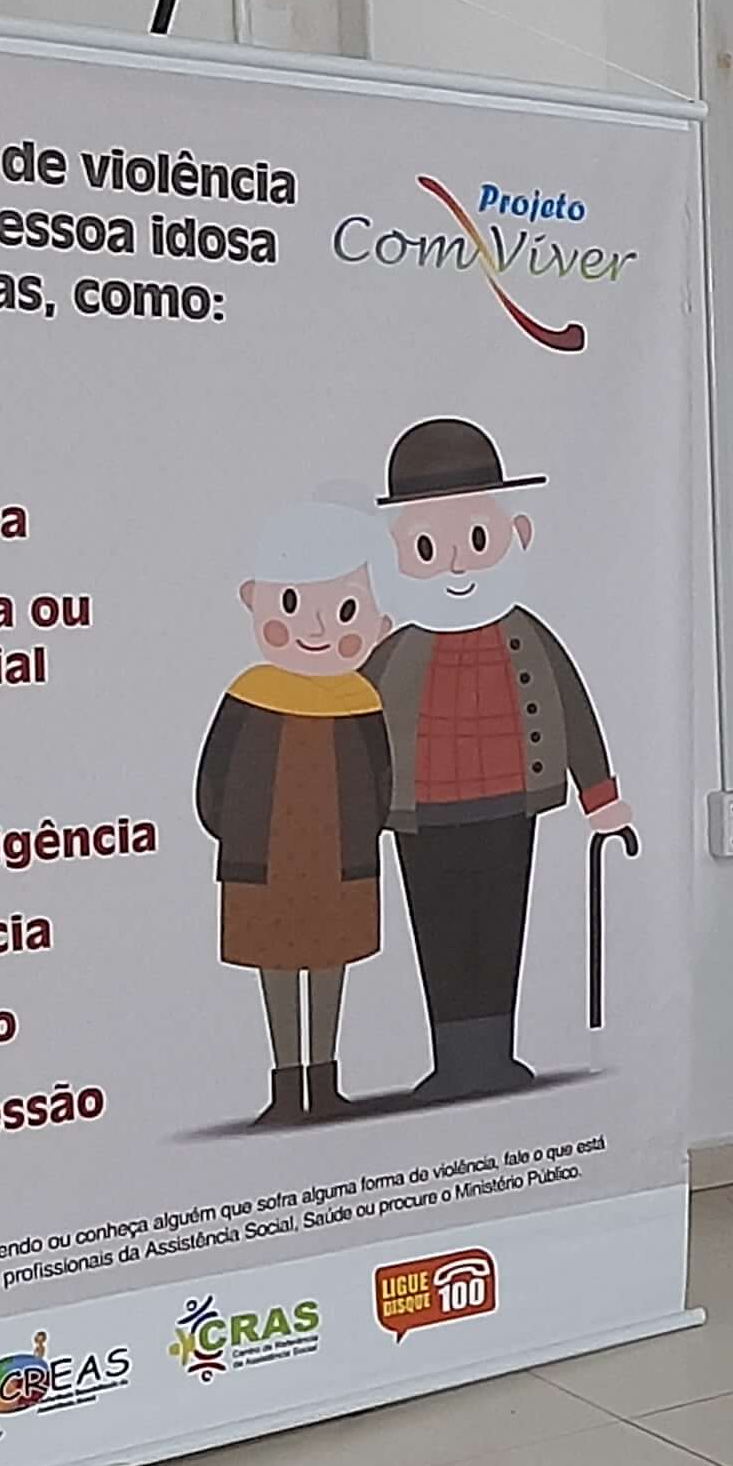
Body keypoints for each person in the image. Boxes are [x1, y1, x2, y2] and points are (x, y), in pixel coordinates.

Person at [364, 417, 632, 1099]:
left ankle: (492, 1057)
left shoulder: (528, 638)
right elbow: (354, 730)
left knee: (498, 927)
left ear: (517, 536)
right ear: (396, 554)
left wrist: (600, 796)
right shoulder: (394, 655)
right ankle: (454, 1062)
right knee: (440, 934)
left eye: (477, 541)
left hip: (511, 804)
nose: (457, 565)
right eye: (429, 547)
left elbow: (572, 710)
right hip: (422, 813)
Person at [196, 498, 396, 1123]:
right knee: (277, 966)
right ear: (253, 599)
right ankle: (287, 1085)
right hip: (265, 863)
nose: (315, 627)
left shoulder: (362, 701)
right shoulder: (249, 696)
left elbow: (382, 782)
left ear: (380, 624)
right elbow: (213, 781)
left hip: (341, 862)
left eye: (345, 612)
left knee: (331, 964)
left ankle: (324, 1079)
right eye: (289, 603)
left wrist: (364, 834)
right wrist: (231, 832)